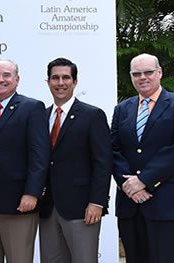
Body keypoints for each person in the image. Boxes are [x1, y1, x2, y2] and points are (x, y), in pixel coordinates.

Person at [0, 59, 49, 263]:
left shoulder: (32, 107)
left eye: (6, 75)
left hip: (18, 204)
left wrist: (32, 193)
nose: (0, 80)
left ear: (17, 79)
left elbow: (40, 155)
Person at [38, 57, 112, 263]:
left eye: (65, 78)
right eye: (55, 78)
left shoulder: (92, 115)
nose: (60, 83)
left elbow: (103, 163)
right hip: (48, 207)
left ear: (75, 82)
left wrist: (97, 202)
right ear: (48, 82)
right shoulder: (41, 116)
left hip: (82, 208)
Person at [112, 53, 174, 263]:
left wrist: (144, 180)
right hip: (130, 204)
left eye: (148, 72)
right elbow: (113, 150)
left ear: (159, 73)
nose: (143, 77)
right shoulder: (122, 109)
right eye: (136, 74)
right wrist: (127, 184)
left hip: (165, 203)